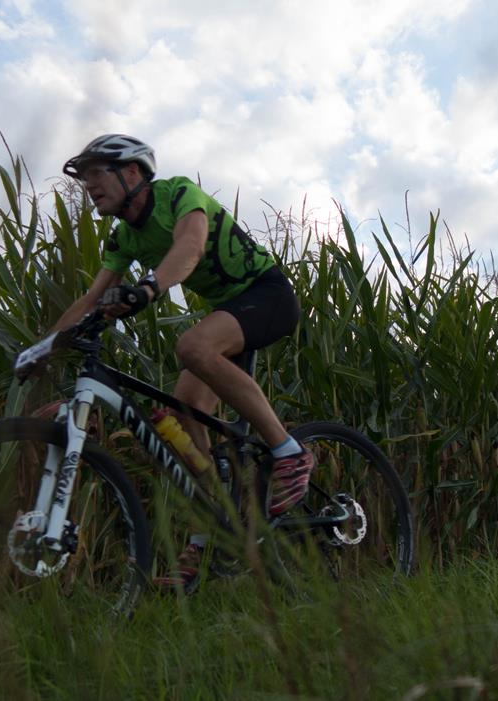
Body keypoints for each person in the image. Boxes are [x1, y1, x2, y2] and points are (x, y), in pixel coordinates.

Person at [50, 133, 314, 588]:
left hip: (267, 295)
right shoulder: (124, 236)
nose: (89, 185)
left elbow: (189, 248)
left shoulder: (177, 195)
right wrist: (44, 347)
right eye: (85, 177)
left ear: (132, 172)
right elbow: (90, 298)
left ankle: (290, 452)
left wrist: (149, 287)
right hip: (229, 312)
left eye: (97, 174)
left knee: (193, 346)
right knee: (181, 415)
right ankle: (212, 534)